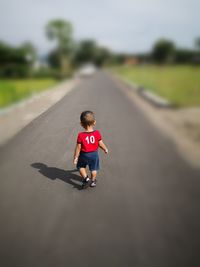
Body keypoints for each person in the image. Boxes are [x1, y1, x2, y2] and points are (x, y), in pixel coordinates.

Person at [73, 111, 108, 188]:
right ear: (94, 122)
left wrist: (76, 157)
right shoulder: (97, 133)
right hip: (94, 155)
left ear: (81, 124)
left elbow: (78, 147)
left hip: (84, 155)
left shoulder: (80, 135)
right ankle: (92, 181)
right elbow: (100, 143)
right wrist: (105, 148)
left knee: (80, 167)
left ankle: (86, 179)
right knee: (94, 169)